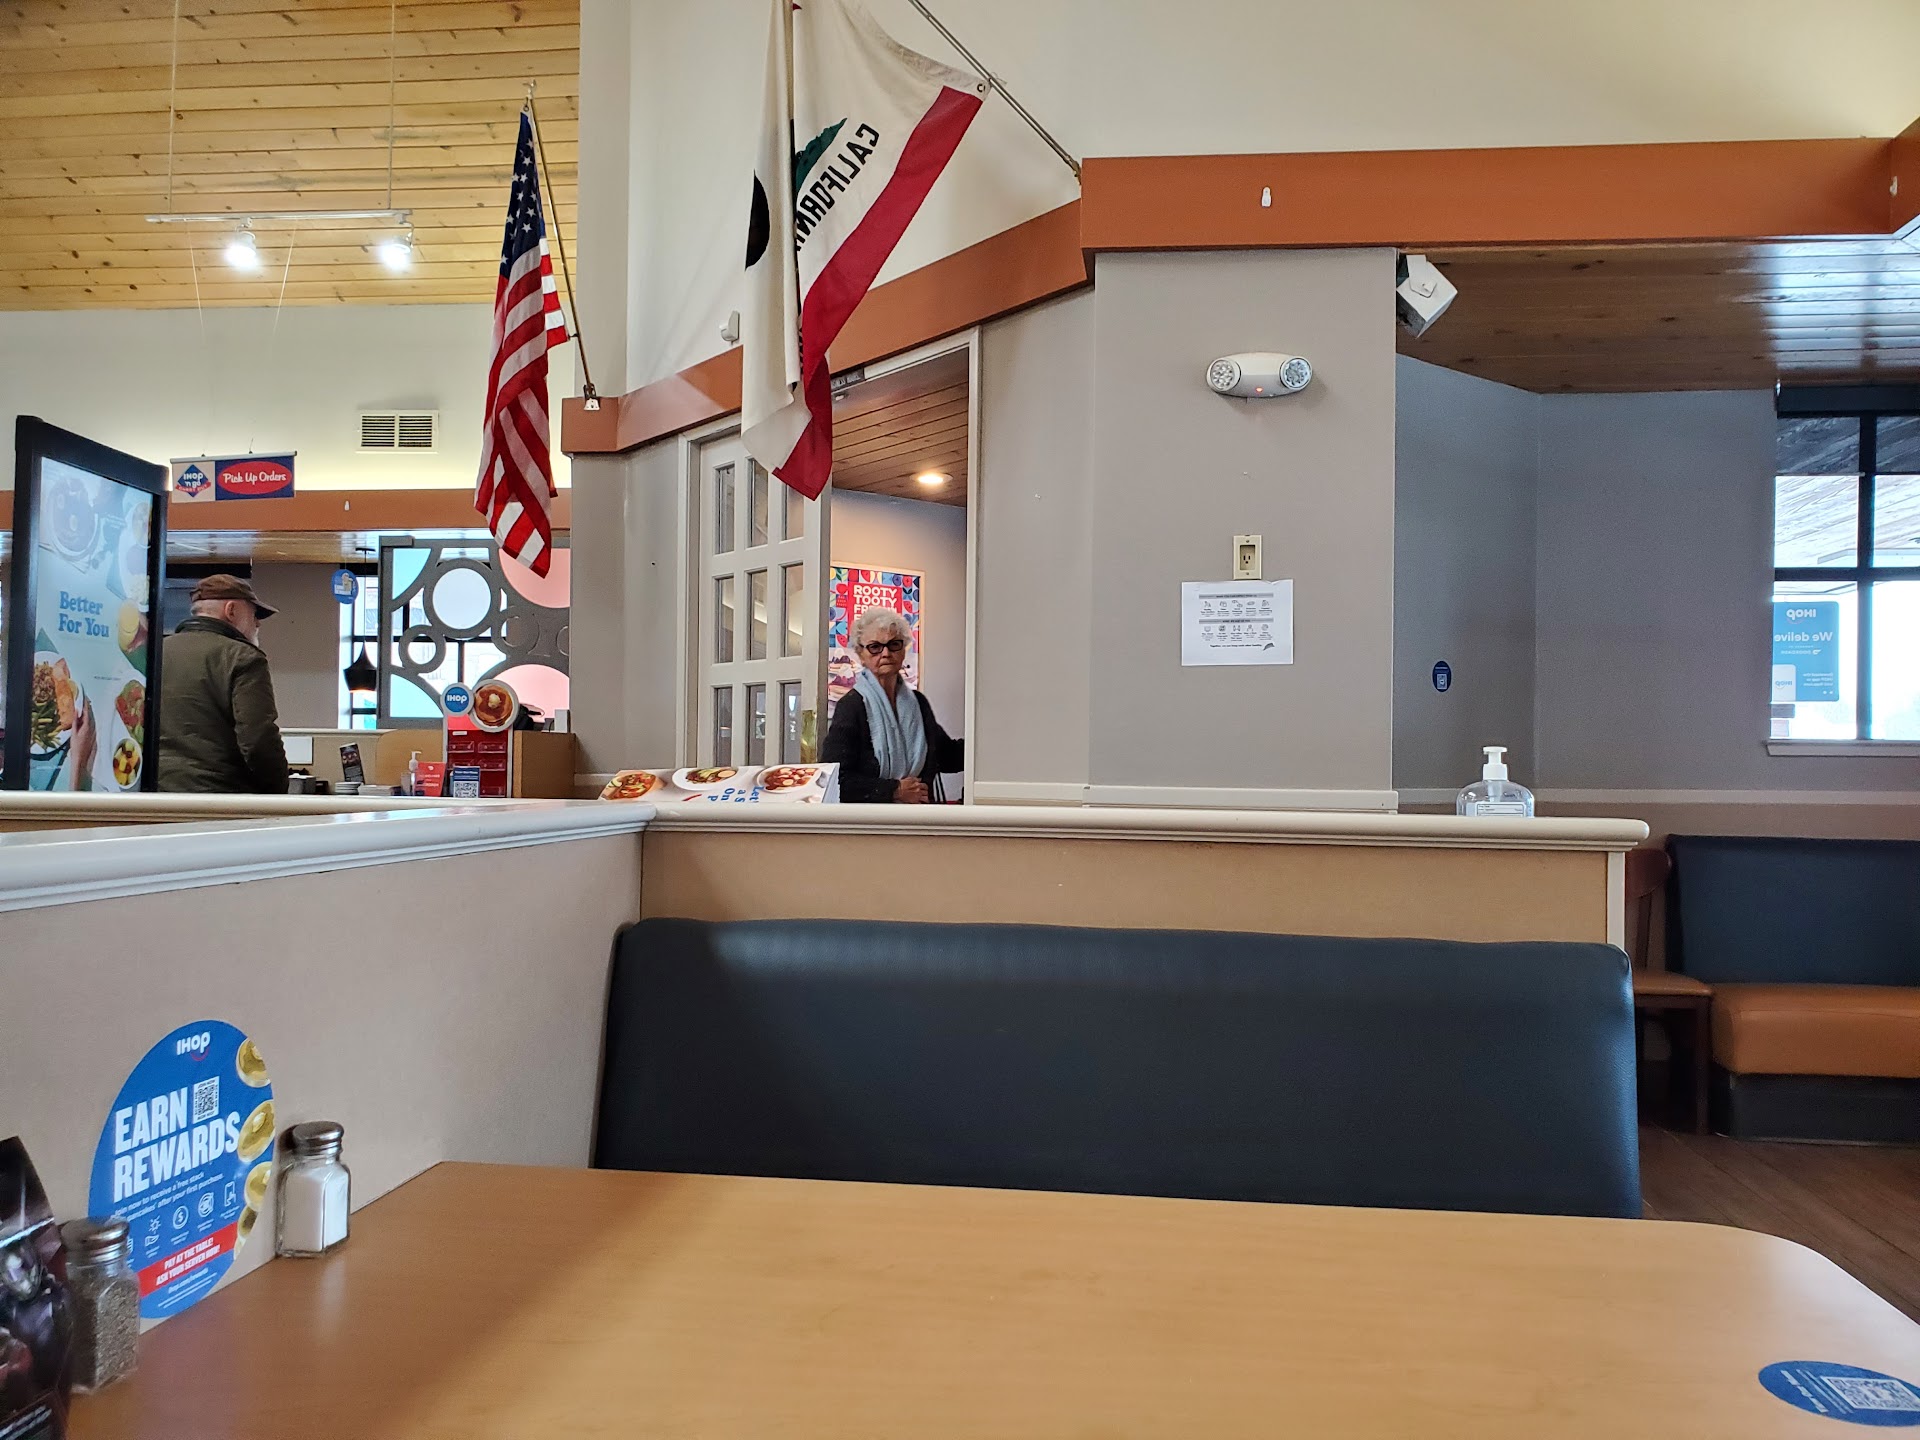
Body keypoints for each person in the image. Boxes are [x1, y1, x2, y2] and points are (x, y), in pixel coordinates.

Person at [157, 574, 289, 794]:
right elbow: (258, 740)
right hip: (220, 797)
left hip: (154, 796)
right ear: (231, 610)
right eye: (255, 614)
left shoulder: (155, 653)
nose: (257, 623)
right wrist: (278, 792)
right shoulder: (242, 657)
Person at [822, 605, 963, 803]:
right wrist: (895, 790)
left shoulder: (918, 703)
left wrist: (991, 743)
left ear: (904, 650)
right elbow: (835, 779)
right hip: (872, 820)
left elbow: (947, 756)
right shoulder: (852, 706)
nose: (886, 653)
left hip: (921, 817)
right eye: (875, 647)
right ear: (861, 654)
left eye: (894, 644)